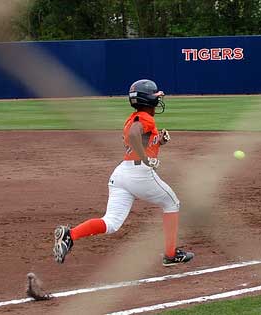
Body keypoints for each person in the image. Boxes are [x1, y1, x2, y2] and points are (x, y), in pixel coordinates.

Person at [53, 79, 194, 266]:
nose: (158, 98)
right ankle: (170, 254)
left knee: (111, 222)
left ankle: (70, 235)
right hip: (140, 174)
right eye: (155, 95)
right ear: (147, 99)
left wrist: (158, 142)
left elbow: (137, 141)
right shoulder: (145, 118)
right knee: (172, 203)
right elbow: (135, 136)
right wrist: (146, 159)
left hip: (122, 175)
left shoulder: (133, 118)